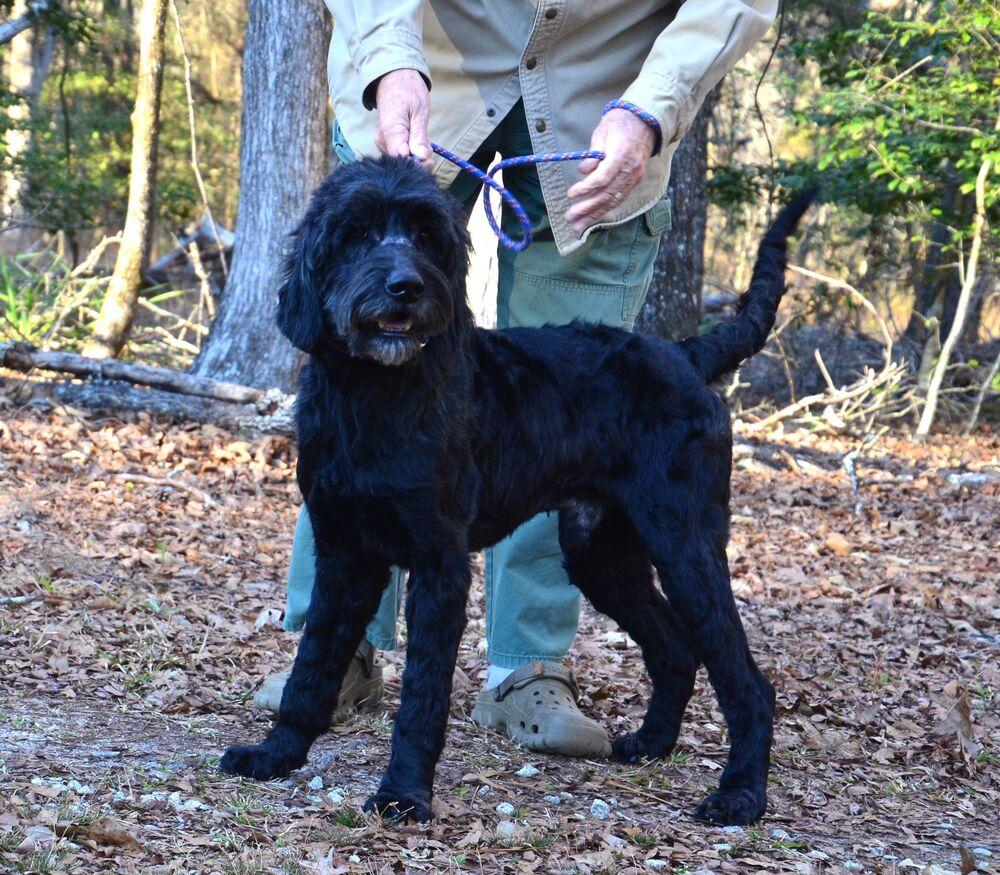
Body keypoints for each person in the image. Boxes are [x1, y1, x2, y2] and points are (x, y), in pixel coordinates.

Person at [254, 0, 778, 758]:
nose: (399, 271)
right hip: (426, 71)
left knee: (589, 540)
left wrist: (654, 107)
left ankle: (527, 669)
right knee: (354, 476)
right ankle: (341, 661)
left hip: (601, 104)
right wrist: (387, 57)